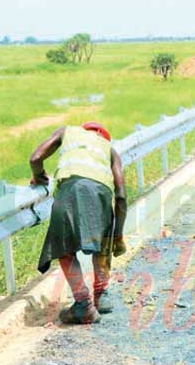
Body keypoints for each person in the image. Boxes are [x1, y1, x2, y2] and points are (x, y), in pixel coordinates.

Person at [32, 122, 127, 324]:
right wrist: (117, 234)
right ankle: (101, 295)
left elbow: (35, 158)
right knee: (103, 242)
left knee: (64, 247)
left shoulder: (67, 132)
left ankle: (83, 304)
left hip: (70, 190)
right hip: (101, 194)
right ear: (104, 137)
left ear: (85, 130)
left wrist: (39, 176)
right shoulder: (109, 149)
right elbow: (121, 196)